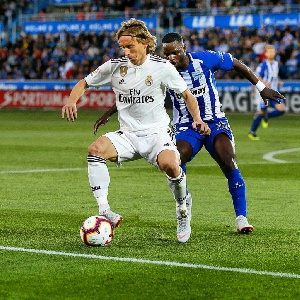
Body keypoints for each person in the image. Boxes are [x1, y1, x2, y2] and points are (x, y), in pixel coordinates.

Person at [96, 33, 286, 234]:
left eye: (175, 53)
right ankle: (184, 206)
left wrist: (261, 87)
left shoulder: (204, 59)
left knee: (228, 160)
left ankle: (241, 217)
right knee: (174, 162)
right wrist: (109, 112)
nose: (171, 58)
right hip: (186, 126)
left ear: (183, 48)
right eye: (166, 54)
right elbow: (135, 93)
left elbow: (235, 63)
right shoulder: (161, 69)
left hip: (215, 121)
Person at [62, 19, 211, 243]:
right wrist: (72, 100)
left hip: (157, 134)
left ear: (144, 43)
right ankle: (105, 211)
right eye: (122, 47)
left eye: (129, 46)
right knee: (95, 150)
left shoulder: (162, 67)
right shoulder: (115, 67)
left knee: (171, 165)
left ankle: (182, 209)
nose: (126, 51)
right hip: (128, 135)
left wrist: (197, 119)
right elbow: (84, 82)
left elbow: (187, 95)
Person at [248, 44, 286, 140]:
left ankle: (266, 116)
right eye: (269, 51)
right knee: (261, 112)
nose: (271, 53)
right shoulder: (263, 65)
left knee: (282, 109)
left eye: (272, 51)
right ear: (265, 53)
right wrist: (264, 82)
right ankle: (252, 132)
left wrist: (279, 81)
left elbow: (275, 76)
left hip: (274, 92)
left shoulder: (276, 64)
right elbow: (257, 77)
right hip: (264, 93)